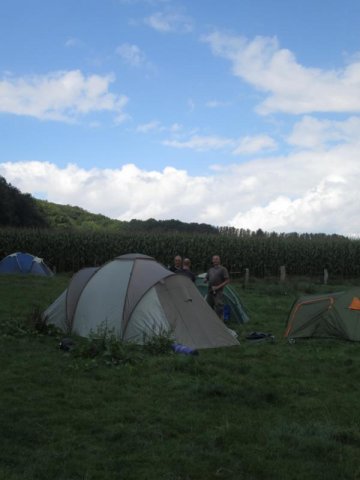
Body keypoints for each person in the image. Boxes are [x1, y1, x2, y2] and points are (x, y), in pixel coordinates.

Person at [205, 255, 230, 320]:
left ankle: (219, 323)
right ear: (212, 261)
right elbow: (207, 278)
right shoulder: (210, 270)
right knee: (208, 306)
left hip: (218, 292)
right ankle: (210, 321)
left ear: (219, 260)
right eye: (214, 259)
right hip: (210, 291)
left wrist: (217, 287)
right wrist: (205, 280)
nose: (215, 260)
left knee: (219, 307)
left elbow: (227, 280)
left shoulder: (223, 269)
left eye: (217, 259)